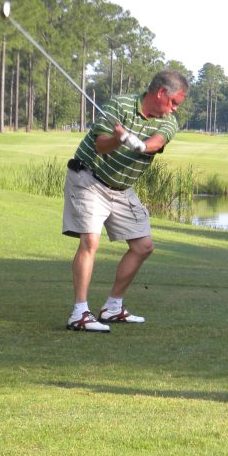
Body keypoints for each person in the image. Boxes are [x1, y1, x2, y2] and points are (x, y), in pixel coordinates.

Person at [63, 69, 190, 332]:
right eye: (174, 102)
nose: (175, 109)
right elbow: (100, 146)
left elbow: (156, 142)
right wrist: (119, 139)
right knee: (90, 242)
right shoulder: (120, 105)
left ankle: (112, 307)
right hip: (89, 178)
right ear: (161, 93)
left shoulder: (169, 121)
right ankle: (79, 313)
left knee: (143, 246)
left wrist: (137, 144)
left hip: (121, 188)